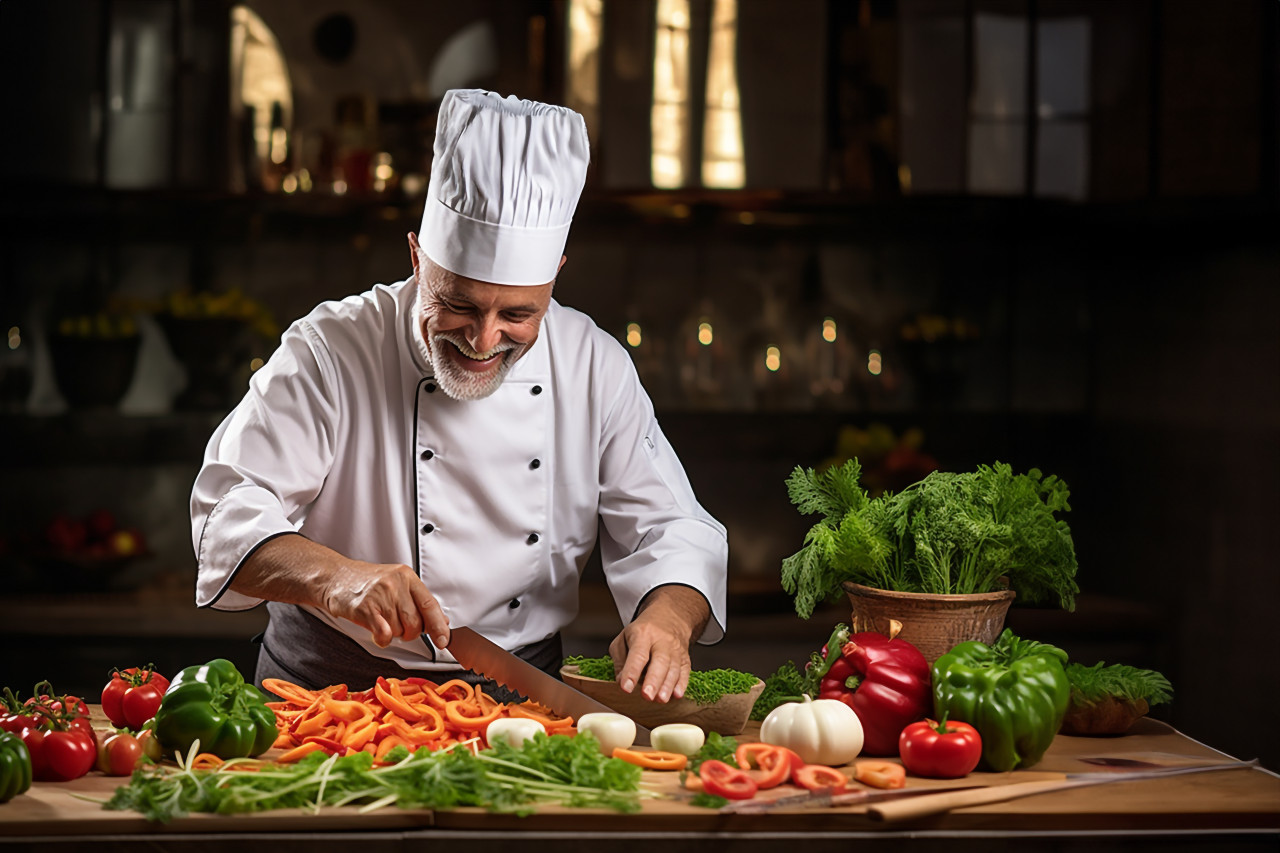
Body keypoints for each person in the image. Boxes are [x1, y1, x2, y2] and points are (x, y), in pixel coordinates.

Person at [190, 89, 728, 705]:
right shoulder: (331, 350)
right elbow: (225, 509)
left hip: (518, 705)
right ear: (418, 259)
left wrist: (668, 618)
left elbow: (671, 527)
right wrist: (336, 578)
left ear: (554, 283)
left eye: (518, 313)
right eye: (459, 304)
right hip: (325, 696)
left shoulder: (593, 365)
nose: (483, 338)